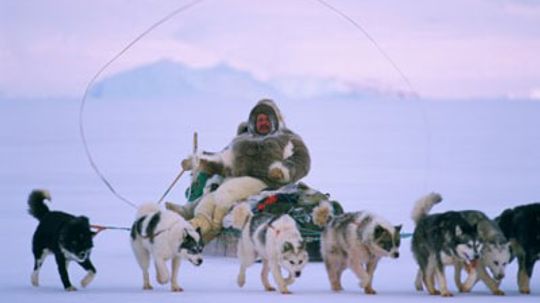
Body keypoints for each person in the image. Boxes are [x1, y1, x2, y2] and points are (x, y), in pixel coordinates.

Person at [170, 99, 311, 243]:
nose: (263, 123)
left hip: (265, 181)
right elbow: (222, 160)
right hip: (235, 181)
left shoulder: (287, 138)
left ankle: (211, 229)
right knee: (208, 201)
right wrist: (198, 162)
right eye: (260, 119)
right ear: (253, 122)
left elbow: (302, 160)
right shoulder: (241, 140)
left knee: (226, 193)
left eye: (267, 119)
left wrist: (283, 170)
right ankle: (195, 225)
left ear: (275, 119)